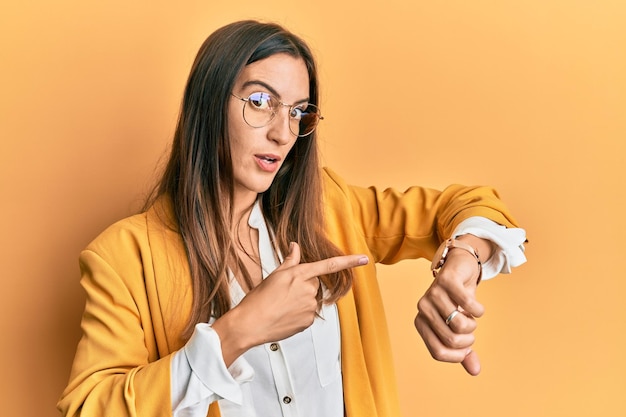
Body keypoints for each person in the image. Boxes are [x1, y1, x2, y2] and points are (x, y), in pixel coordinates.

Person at [58, 20, 527, 417]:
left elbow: (472, 204)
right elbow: (88, 405)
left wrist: (462, 262)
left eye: (299, 112)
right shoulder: (123, 258)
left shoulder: (332, 209)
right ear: (208, 103)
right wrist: (235, 332)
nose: (284, 133)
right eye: (260, 102)